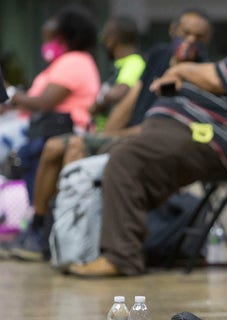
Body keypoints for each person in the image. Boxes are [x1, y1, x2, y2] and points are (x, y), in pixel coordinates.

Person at [67, 0, 227, 277]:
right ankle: (90, 245)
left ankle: (121, 257)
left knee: (126, 158)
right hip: (182, 127)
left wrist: (181, 71)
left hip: (213, 138)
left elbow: (219, 77)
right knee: (108, 152)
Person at [6, 10, 214, 262]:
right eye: (185, 33)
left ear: (208, 39)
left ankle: (74, 240)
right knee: (52, 148)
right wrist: (107, 136)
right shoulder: (159, 56)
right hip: (129, 133)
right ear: (173, 30)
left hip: (154, 137)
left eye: (198, 36)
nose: (190, 40)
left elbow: (166, 125)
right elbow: (131, 99)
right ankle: (42, 228)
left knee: (74, 149)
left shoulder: (205, 71)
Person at [1, 5, 100, 261]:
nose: (47, 37)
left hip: (65, 133)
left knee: (32, 152)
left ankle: (39, 232)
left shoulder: (75, 61)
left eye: (53, 33)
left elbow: (45, 102)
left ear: (66, 35)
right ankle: (37, 231)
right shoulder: (63, 62)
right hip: (43, 132)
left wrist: (11, 94)